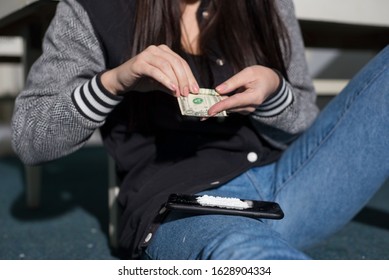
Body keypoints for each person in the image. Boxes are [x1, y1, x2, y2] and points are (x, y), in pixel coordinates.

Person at [11, 0, 388, 260]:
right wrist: (113, 82)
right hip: (183, 205)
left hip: (289, 183)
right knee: (247, 257)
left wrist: (274, 92)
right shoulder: (92, 10)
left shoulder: (268, 5)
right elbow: (30, 139)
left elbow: (307, 125)